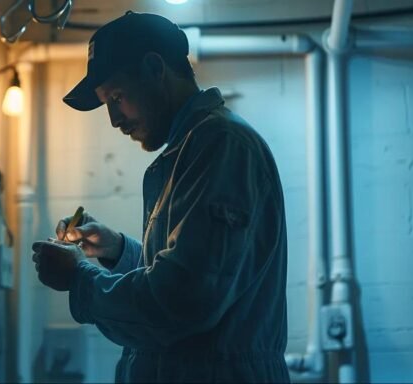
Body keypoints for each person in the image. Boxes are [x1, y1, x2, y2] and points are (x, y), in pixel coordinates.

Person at [29, 11, 290, 383]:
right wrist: (117, 251)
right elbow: (187, 269)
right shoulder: (191, 148)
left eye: (117, 97)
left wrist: (81, 278)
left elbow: (182, 300)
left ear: (155, 68)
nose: (114, 119)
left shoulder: (219, 145)